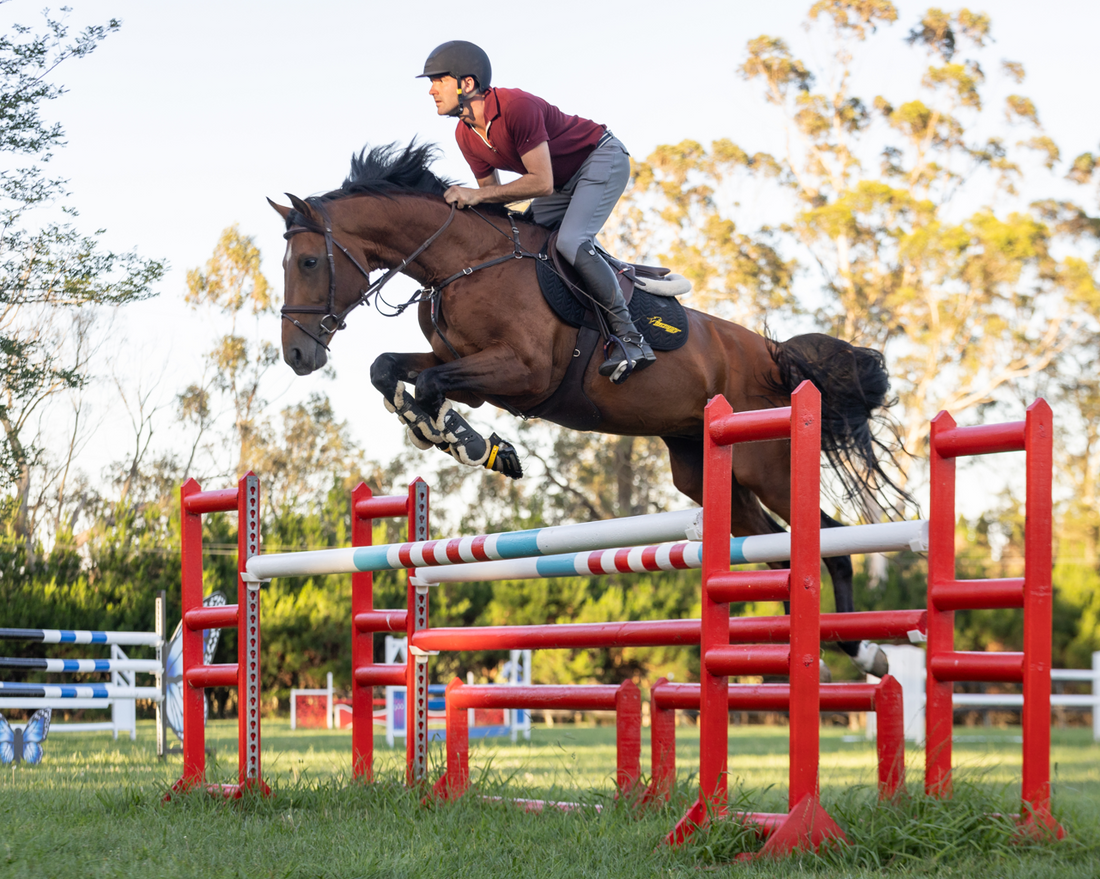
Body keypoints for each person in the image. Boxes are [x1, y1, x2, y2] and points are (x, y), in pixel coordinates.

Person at [418, 40, 656, 384]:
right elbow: (492, 197)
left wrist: (473, 196)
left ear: (466, 83)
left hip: (600, 159)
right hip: (562, 183)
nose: (431, 91)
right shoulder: (465, 134)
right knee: (527, 240)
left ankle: (631, 339)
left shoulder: (516, 107)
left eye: (438, 81)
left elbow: (540, 183)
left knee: (571, 242)